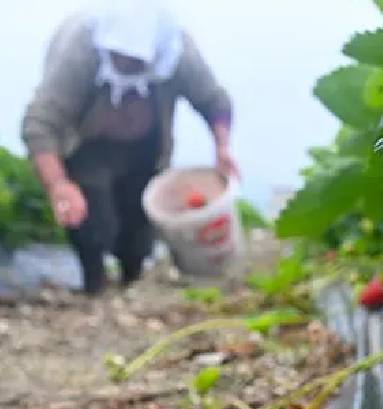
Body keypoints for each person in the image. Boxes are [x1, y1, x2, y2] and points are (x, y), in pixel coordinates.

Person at [22, 0, 236, 294]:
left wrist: (223, 147)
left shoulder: (177, 53)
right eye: (118, 56)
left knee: (138, 221)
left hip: (145, 147)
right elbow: (41, 123)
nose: (125, 63)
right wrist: (59, 184)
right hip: (89, 146)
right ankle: (94, 284)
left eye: (135, 60)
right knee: (90, 215)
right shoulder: (80, 50)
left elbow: (214, 102)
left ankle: (131, 280)